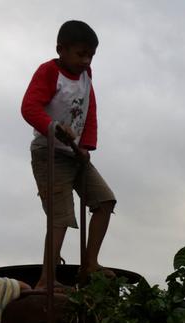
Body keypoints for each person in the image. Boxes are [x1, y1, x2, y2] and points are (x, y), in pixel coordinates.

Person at [21, 19, 117, 290]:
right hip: (49, 152)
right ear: (60, 49)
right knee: (60, 217)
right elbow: (29, 107)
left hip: (75, 155)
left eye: (91, 55)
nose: (86, 60)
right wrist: (53, 128)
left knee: (104, 201)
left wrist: (86, 145)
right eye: (80, 54)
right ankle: (46, 280)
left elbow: (90, 110)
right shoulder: (49, 72)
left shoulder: (87, 77)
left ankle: (90, 263)